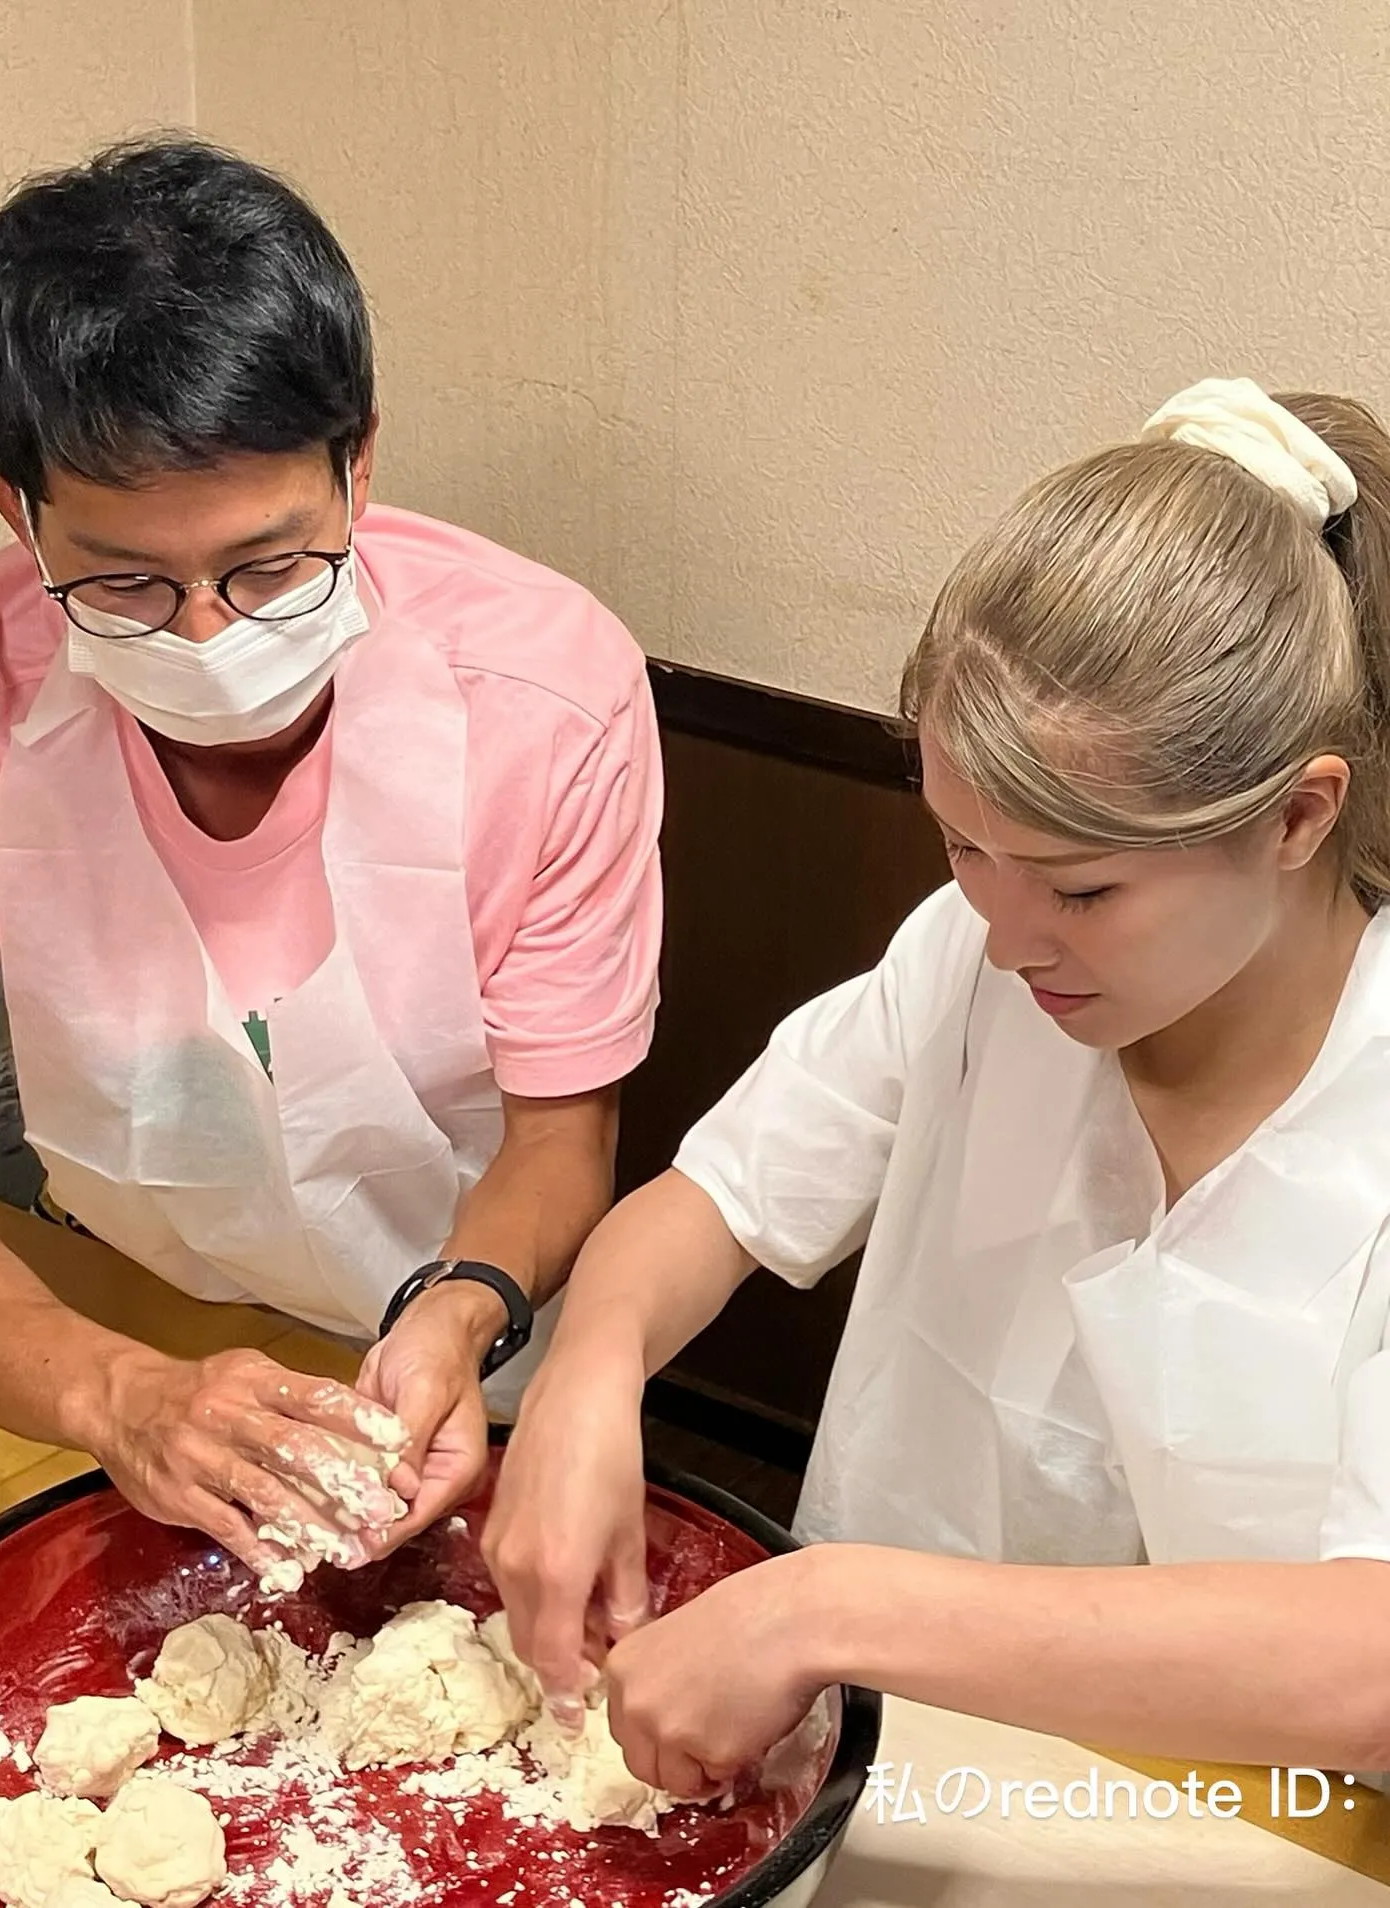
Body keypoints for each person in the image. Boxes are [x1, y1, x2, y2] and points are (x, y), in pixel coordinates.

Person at [484, 378, 1390, 1796]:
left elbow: (1367, 1665)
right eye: (964, 846)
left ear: (1295, 816)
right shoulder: (974, 962)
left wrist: (822, 1607)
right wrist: (587, 1374)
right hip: (900, 1765)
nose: (1011, 933)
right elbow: (712, 1204)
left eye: (1086, 890)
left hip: (1257, 1821)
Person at [0, 137, 661, 1584]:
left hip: (454, 1334)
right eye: (127, 583)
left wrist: (462, 1305)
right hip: (112, 1306)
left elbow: (558, 1143)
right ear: (14, 506)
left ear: (359, 460)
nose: (209, 636)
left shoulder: (550, 695)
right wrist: (112, 1391)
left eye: (272, 567)